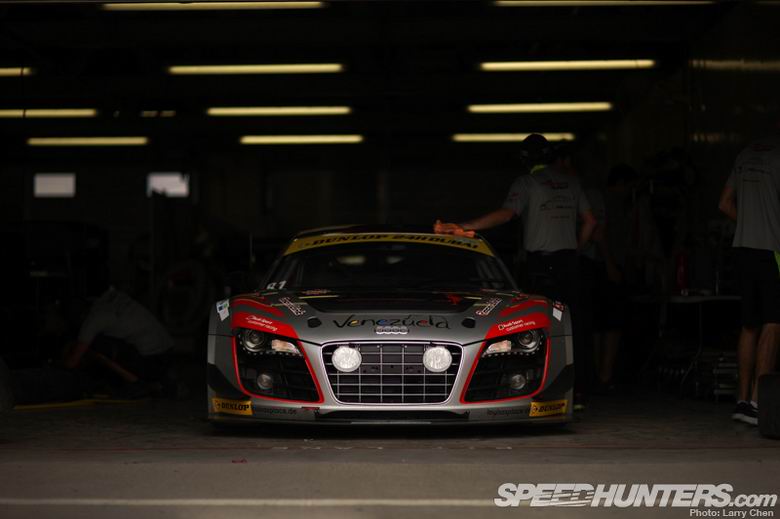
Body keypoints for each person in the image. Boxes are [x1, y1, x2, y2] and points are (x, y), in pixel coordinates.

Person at [435, 133, 597, 404]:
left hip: (541, 265)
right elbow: (591, 221)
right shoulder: (572, 183)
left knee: (537, 329)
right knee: (572, 326)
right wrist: (575, 250)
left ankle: (538, 391)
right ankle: (578, 393)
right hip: (569, 263)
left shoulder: (526, 182)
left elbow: (507, 214)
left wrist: (465, 226)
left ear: (524, 159)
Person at [718, 136, 780, 426]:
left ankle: (742, 401)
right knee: (774, 322)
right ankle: (758, 403)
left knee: (749, 324)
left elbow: (724, 204)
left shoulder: (744, 154)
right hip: (773, 250)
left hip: (743, 248)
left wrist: (748, 222)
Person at [63, 287, 175, 398]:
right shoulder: (110, 298)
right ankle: (160, 378)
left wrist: (61, 371)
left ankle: (137, 384)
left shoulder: (93, 320)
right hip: (168, 353)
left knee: (96, 346)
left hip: (152, 361)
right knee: (110, 340)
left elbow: (73, 361)